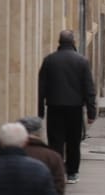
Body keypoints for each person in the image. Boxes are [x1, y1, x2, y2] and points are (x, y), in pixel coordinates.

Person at [36, 29, 96, 183]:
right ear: (73, 42)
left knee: (55, 141)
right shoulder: (82, 61)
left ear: (59, 42)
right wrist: (91, 112)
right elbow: (89, 88)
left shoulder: (49, 60)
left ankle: (56, 171)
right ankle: (72, 172)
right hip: (75, 108)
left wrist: (40, 110)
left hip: (55, 106)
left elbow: (41, 87)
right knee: (73, 142)